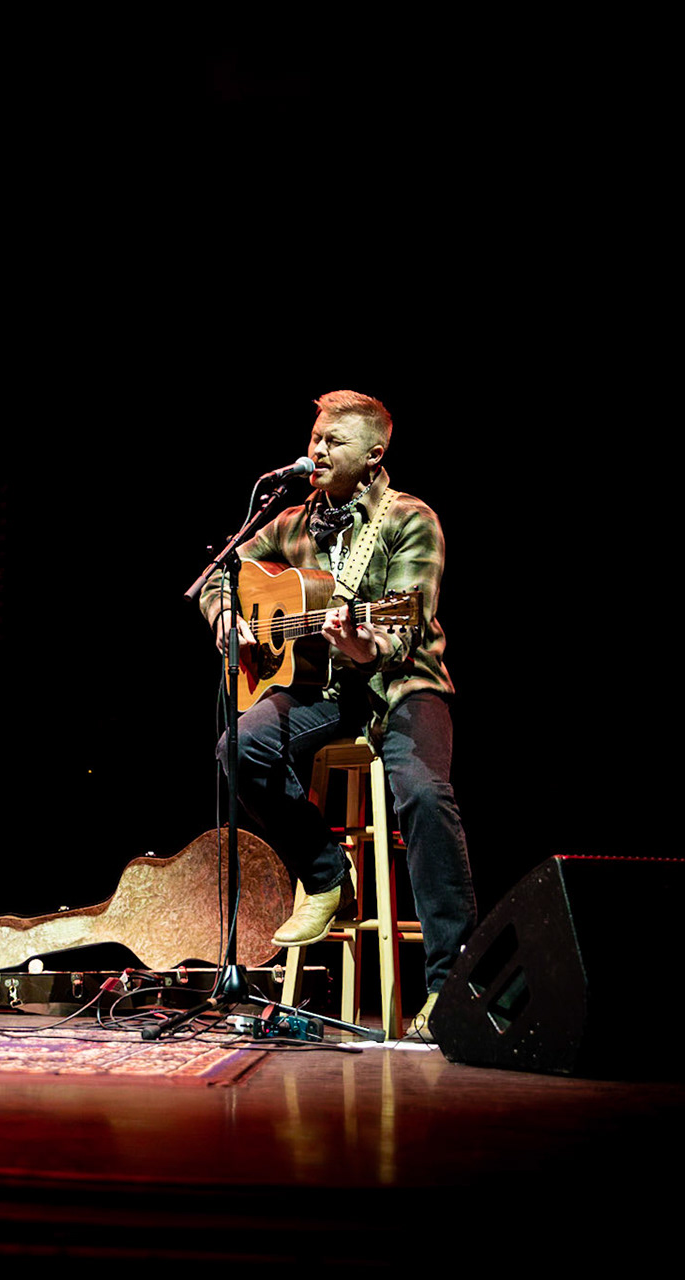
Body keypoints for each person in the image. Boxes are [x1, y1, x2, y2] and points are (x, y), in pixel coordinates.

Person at [201, 390, 476, 1037]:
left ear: (375, 452)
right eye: (316, 437)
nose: (316, 450)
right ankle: (327, 875)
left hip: (401, 682)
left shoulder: (410, 519)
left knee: (424, 794)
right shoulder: (290, 522)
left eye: (334, 442)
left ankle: (450, 988)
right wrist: (229, 620)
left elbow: (404, 622)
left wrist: (363, 640)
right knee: (238, 746)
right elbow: (219, 575)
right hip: (322, 689)